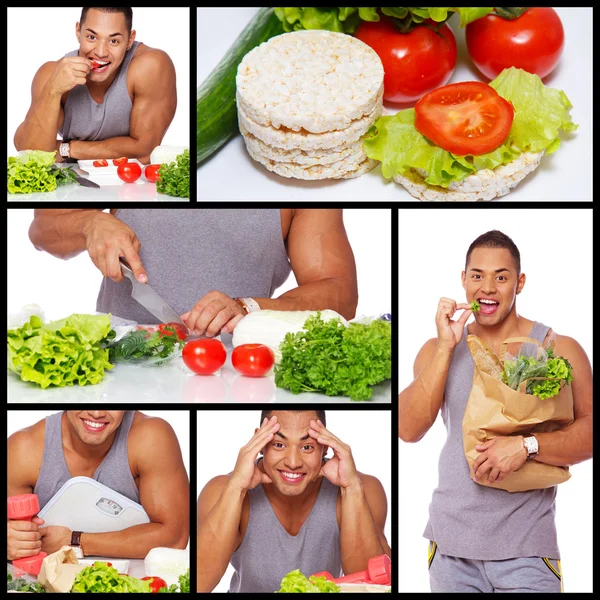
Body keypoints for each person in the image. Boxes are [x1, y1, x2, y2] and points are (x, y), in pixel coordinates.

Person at [398, 230, 593, 593]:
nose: (487, 288)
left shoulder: (558, 347)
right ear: (463, 280)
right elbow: (408, 429)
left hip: (527, 550)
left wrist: (526, 446)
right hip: (451, 550)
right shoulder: (437, 350)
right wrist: (445, 346)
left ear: (519, 283)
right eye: (477, 275)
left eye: (501, 277)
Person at [28, 208, 359, 336]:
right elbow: (42, 230)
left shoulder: (302, 187)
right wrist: (90, 222)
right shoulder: (147, 161)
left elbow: (338, 293)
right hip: (118, 355)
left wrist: (249, 307)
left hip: (234, 363)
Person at [196, 410, 391, 593]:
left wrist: (351, 488)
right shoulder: (220, 490)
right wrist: (237, 486)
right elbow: (199, 583)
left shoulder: (363, 488)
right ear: (260, 441)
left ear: (324, 447)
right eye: (279, 445)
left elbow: (375, 585)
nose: (293, 462)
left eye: (307, 447)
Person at [7, 410, 189, 561]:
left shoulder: (150, 437)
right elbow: (16, 552)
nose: (96, 413)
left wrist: (74, 541)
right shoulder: (24, 449)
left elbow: (175, 538)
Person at [13, 7, 176, 164]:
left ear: (130, 40)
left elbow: (145, 151)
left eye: (114, 41)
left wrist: (68, 149)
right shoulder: (52, 74)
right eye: (92, 37)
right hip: (73, 186)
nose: (101, 52)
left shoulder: (150, 66)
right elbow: (30, 152)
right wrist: (53, 90)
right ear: (78, 31)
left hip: (130, 185)